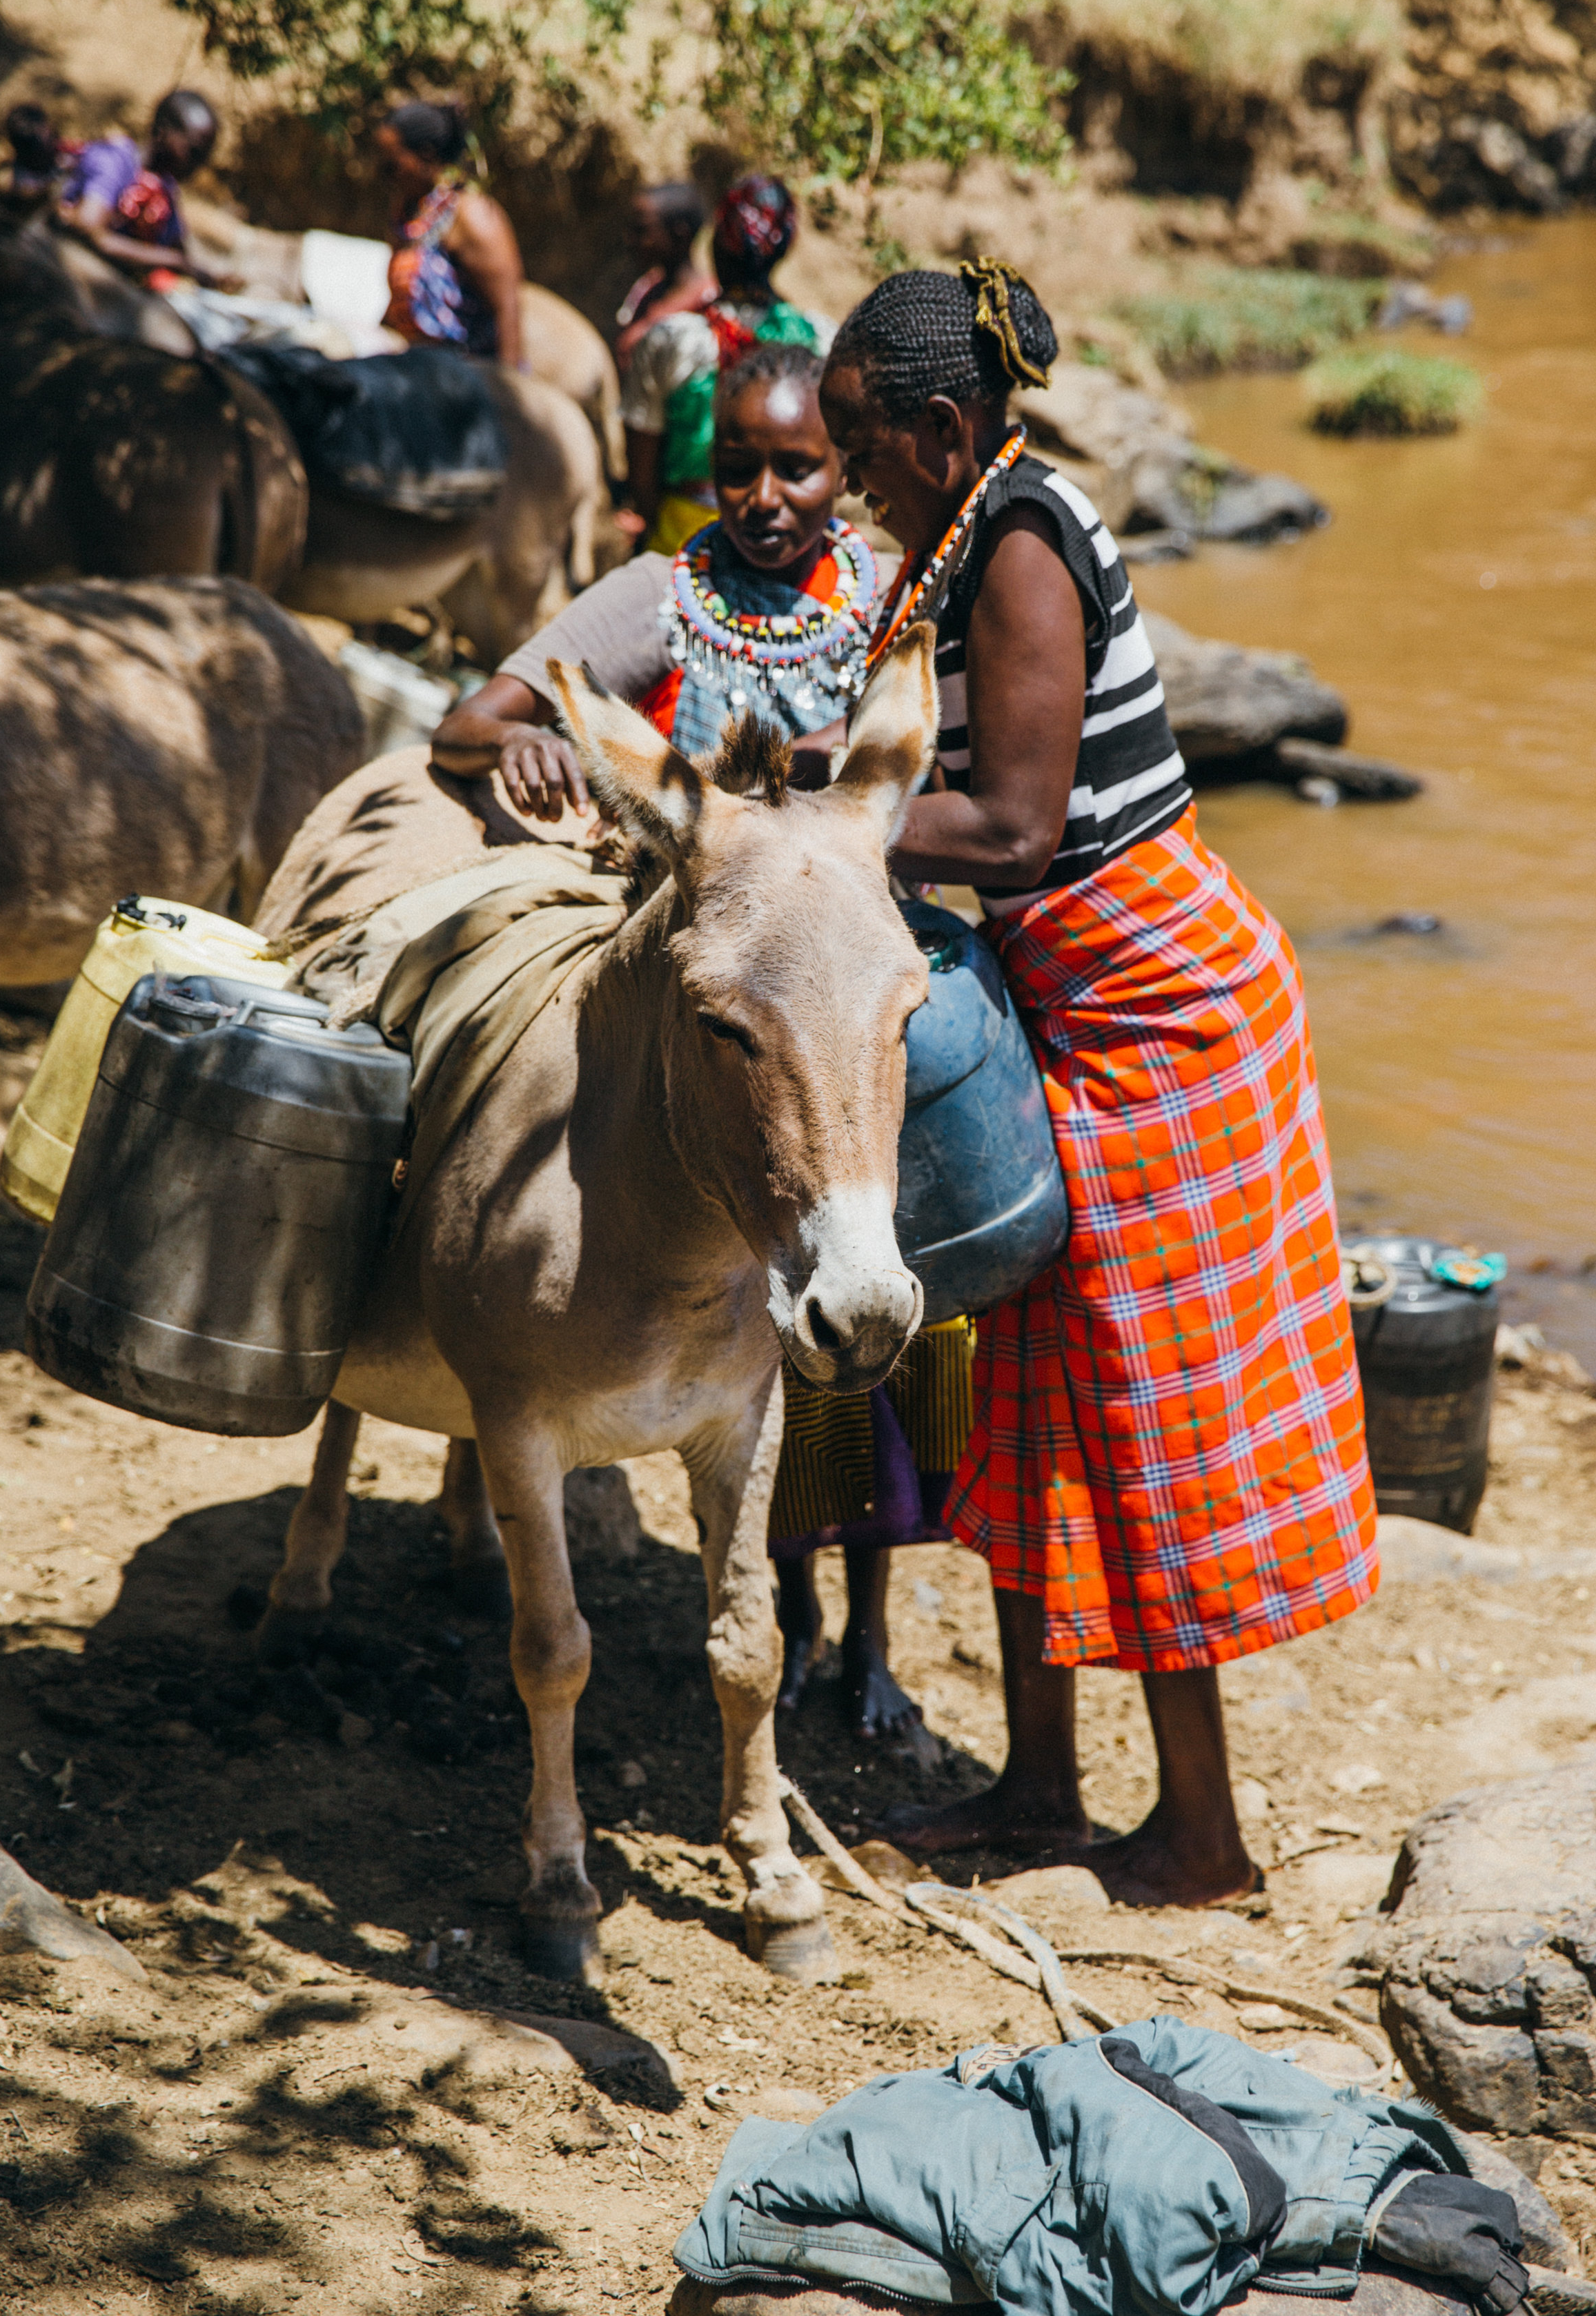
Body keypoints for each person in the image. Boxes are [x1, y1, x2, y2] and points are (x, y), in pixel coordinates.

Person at [817, 262, 1377, 1905]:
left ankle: (1200, 1831)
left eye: (862, 445)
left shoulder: (1018, 547)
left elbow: (1017, 830)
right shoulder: (968, 525)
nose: (849, 476)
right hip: (1087, 1000)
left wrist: (804, 797)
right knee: (1027, 1393)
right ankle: (1044, 1788)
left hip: (1166, 1013)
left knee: (1148, 1406)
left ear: (940, 425)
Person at [430, 344, 962, 1738]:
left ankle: (871, 1629)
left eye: (796, 468)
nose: (766, 496)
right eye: (736, 469)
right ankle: (774, 1613)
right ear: (700, 475)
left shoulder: (885, 597)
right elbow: (468, 722)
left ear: (842, 473)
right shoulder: (660, 596)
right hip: (713, 992)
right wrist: (528, 750)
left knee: (905, 1267)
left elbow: (941, 778)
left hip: (845, 992)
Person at [622, 175, 834, 558]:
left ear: (718, 244)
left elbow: (642, 462)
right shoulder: (820, 339)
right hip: (790, 537)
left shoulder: (672, 341)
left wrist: (650, 521)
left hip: (683, 536)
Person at [377, 101, 525, 369]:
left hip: (469, 379)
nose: (386, 179)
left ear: (426, 156)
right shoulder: (407, 217)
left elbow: (507, 310)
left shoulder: (470, 215)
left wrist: (506, 395)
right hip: (423, 370)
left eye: (392, 167)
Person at [58, 89, 230, 287]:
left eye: (204, 156)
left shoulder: (164, 190)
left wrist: (210, 275)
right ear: (163, 131)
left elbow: (178, 248)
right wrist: (176, 262)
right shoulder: (115, 159)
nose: (198, 163)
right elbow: (89, 229)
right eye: (194, 151)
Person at [614, 181, 714, 372]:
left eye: (642, 230)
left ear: (680, 235)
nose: (630, 239)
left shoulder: (708, 303)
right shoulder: (647, 289)